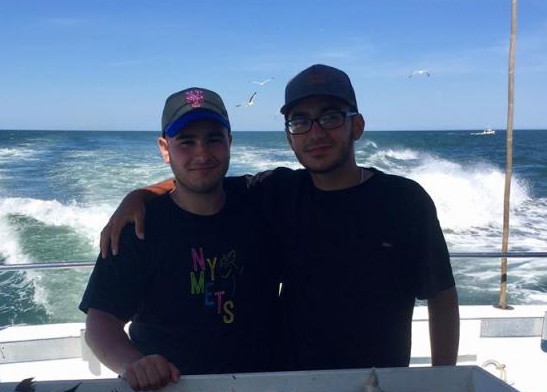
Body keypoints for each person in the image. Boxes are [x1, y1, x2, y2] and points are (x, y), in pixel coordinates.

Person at [100, 64, 460, 374]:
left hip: (380, 390)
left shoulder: (405, 200)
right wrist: (140, 196)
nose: (316, 133)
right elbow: (201, 181)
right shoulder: (278, 191)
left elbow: (441, 295)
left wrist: (444, 383)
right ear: (289, 136)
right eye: (300, 121)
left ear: (357, 126)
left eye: (331, 117)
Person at [80, 87, 280, 391]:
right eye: (186, 141)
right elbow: (101, 321)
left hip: (265, 391)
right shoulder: (137, 226)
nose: (202, 154)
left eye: (213, 139)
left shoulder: (261, 201)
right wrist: (133, 364)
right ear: (165, 148)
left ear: (230, 142)